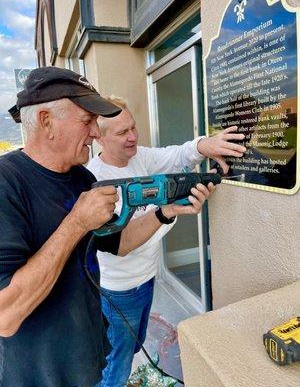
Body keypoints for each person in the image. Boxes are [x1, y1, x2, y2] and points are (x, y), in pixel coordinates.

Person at [0, 67, 213, 387]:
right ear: (46, 122)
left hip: (88, 355)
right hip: (39, 374)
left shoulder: (81, 179)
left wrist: (167, 211)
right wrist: (76, 223)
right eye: (87, 121)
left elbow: (117, 242)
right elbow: (6, 314)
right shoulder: (7, 183)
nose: (96, 134)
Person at [87, 96, 246, 387]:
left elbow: (178, 155)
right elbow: (118, 244)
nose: (133, 136)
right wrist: (168, 210)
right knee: (117, 361)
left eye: (133, 127)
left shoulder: (141, 157)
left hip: (147, 278)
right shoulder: (94, 181)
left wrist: (204, 145)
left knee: (134, 345)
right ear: (99, 137)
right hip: (119, 291)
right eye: (122, 132)